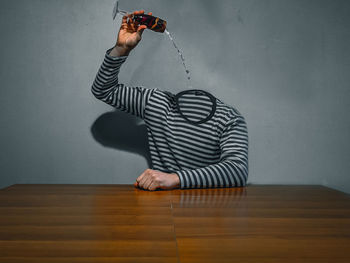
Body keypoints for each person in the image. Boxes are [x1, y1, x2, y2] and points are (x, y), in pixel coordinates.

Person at [91, 10, 249, 191]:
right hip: (162, 209)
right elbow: (104, 89)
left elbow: (237, 171)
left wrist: (175, 179)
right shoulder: (156, 103)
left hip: (211, 212)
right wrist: (121, 49)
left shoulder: (229, 119)